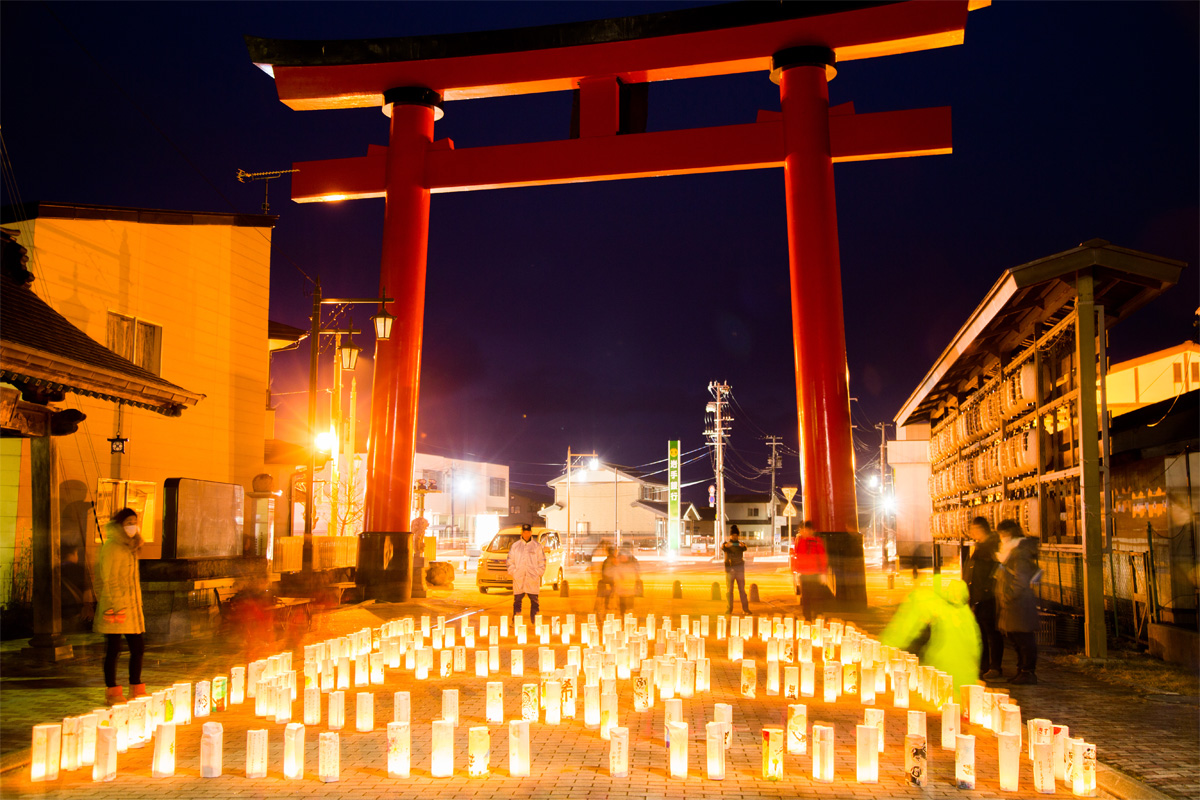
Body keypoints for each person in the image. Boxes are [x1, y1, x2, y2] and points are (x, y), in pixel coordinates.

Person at [880, 576, 981, 691]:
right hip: (967, 681)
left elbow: (903, 631)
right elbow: (975, 647)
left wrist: (884, 648)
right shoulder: (966, 615)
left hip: (940, 674)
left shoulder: (925, 600)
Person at [93, 508, 147, 705]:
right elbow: (108, 578)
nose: (133, 525)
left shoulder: (131, 546)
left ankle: (136, 686)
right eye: (128, 522)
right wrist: (117, 603)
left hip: (131, 607)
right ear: (120, 525)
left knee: (138, 647)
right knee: (113, 649)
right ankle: (113, 691)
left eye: (135, 521)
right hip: (115, 607)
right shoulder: (112, 546)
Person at [995, 518, 1040, 684]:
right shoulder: (1012, 552)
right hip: (1013, 604)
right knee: (1016, 639)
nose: (1001, 538)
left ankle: (1027, 671)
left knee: (1024, 639)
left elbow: (1020, 579)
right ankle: (1022, 670)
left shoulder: (1019, 553)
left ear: (1007, 534)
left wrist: (1008, 596)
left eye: (1002, 534)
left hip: (1018, 604)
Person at [965, 516, 1004, 681]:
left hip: (989, 596)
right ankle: (984, 665)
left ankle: (994, 666)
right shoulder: (979, 546)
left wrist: (988, 587)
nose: (972, 532)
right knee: (980, 633)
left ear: (982, 529)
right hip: (978, 595)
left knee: (992, 632)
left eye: (974, 529)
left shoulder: (992, 546)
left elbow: (998, 568)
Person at [507, 523, 546, 623]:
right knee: (517, 601)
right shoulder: (515, 546)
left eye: (528, 532)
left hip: (532, 578)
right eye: (524, 532)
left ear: (531, 533)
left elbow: (542, 561)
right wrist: (514, 572)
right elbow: (510, 561)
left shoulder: (537, 546)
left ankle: (535, 621)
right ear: (522, 533)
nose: (526, 534)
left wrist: (537, 572)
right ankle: (516, 620)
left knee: (534, 601)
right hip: (519, 578)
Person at [791, 521, 828, 619]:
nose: (803, 532)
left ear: (811, 531)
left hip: (815, 574)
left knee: (816, 597)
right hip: (803, 574)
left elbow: (822, 557)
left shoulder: (817, 541)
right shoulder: (799, 541)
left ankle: (817, 617)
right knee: (806, 598)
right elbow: (796, 557)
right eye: (802, 530)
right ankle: (807, 618)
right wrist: (795, 573)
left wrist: (823, 573)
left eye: (805, 530)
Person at [721, 525, 751, 614]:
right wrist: (726, 545)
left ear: (738, 536)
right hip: (730, 570)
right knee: (729, 591)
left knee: (742, 590)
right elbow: (723, 547)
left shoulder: (740, 545)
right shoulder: (727, 545)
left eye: (736, 535)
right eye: (733, 535)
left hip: (739, 570)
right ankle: (729, 609)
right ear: (730, 536)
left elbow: (745, 547)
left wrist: (743, 545)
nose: (734, 537)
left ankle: (745, 609)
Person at [611, 543, 642, 615]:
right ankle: (624, 616)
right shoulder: (620, 563)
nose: (623, 557)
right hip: (622, 587)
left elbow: (636, 573)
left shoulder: (631, 562)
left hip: (628, 586)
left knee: (629, 604)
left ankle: (628, 615)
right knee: (623, 603)